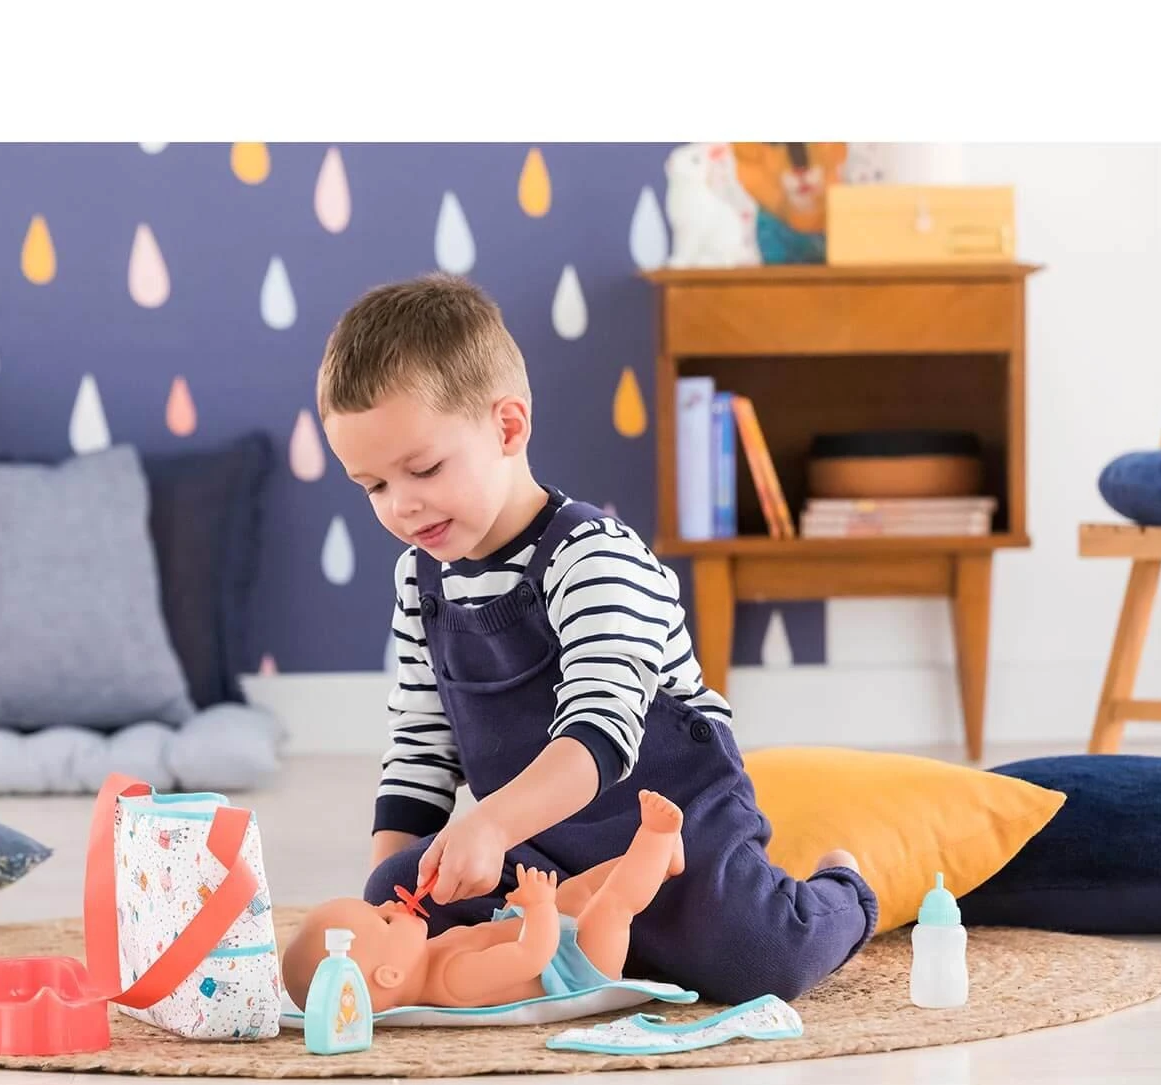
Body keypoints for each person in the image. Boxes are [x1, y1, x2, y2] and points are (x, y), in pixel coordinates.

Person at [316, 273, 876, 1005]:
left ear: (507, 428)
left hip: (670, 828)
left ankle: (841, 890)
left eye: (422, 470)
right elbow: (421, 748)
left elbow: (599, 734)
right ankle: (588, 936)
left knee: (760, 959)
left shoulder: (596, 557)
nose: (402, 506)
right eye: (374, 486)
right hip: (536, 850)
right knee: (395, 884)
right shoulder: (418, 580)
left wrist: (488, 825)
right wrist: (388, 907)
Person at [282, 791, 685, 1011]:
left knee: (575, 891)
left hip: (549, 940)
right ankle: (656, 838)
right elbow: (530, 957)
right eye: (384, 920)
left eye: (378, 907)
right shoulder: (451, 979)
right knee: (611, 907)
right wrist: (540, 908)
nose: (389, 905)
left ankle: (659, 863)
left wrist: (532, 910)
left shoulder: (427, 957)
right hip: (577, 968)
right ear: (389, 975)